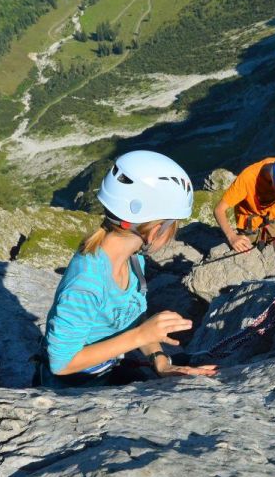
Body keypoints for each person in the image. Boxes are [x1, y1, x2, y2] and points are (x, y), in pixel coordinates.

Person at [41, 150, 217, 388]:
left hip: (106, 369)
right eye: (171, 229)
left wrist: (161, 362)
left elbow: (135, 321)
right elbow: (61, 363)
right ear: (155, 231)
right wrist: (140, 336)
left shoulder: (133, 261)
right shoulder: (87, 281)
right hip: (74, 387)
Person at [213, 157, 275, 253]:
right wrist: (232, 237)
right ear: (273, 181)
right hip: (250, 222)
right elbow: (218, 210)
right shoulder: (246, 180)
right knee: (249, 253)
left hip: (272, 215)